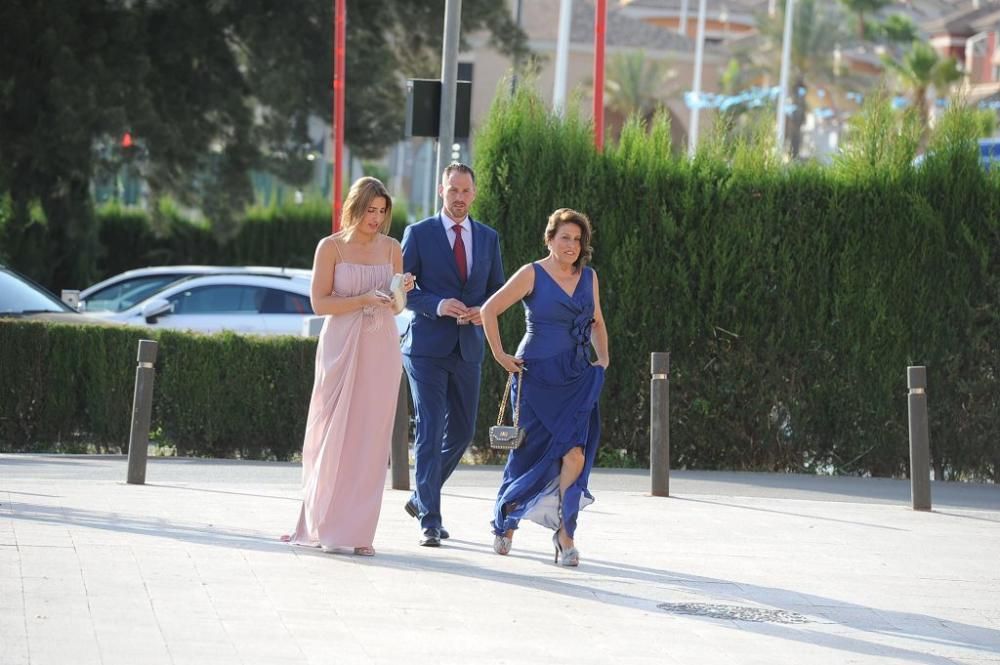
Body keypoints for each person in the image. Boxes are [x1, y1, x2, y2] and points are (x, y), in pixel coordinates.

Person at [287, 177, 414, 556]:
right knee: (332, 432)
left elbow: (397, 307)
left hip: (381, 348)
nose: (376, 218)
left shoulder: (392, 247)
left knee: (371, 438)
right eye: (370, 210)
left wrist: (399, 289)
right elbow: (319, 304)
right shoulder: (330, 247)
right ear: (355, 207)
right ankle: (323, 522)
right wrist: (361, 299)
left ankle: (360, 532)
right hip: (340, 346)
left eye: (381, 211)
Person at [480, 208, 609, 567]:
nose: (571, 245)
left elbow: (597, 322)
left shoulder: (590, 277)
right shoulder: (532, 274)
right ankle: (506, 522)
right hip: (535, 376)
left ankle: (565, 534)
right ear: (550, 239)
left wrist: (604, 360)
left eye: (577, 239)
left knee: (575, 456)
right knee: (528, 453)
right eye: (564, 237)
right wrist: (500, 355)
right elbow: (490, 310)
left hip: (577, 378)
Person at [401, 162, 506, 547]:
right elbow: (404, 291)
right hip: (426, 348)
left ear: (474, 193)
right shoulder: (419, 234)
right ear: (441, 191)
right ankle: (430, 518)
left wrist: (484, 310)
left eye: (465, 191)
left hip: (468, 348)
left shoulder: (489, 238)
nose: (459, 198)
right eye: (452, 191)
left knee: (461, 433)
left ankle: (420, 495)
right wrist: (438, 304)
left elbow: (498, 290)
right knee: (430, 428)